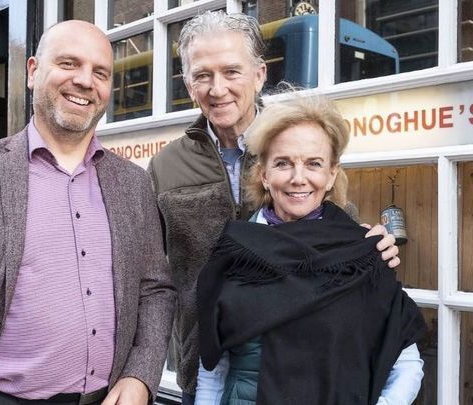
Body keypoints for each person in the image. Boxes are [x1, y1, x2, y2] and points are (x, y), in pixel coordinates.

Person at [0, 21, 175, 405]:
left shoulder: (133, 183)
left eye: (100, 73)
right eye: (69, 63)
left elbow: (155, 291)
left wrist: (140, 377)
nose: (84, 81)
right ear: (33, 71)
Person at [147, 10, 401, 405]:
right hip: (206, 375)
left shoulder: (292, 146)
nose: (218, 89)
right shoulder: (165, 168)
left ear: (260, 74)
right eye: (202, 75)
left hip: (303, 370)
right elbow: (153, 281)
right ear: (187, 83)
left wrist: (373, 244)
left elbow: (334, 231)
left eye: (232, 71)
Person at [197, 94, 426, 405]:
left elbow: (407, 364)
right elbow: (214, 368)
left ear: (331, 175)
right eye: (283, 163)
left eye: (313, 164)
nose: (298, 178)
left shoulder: (363, 255)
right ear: (264, 174)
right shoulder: (233, 252)